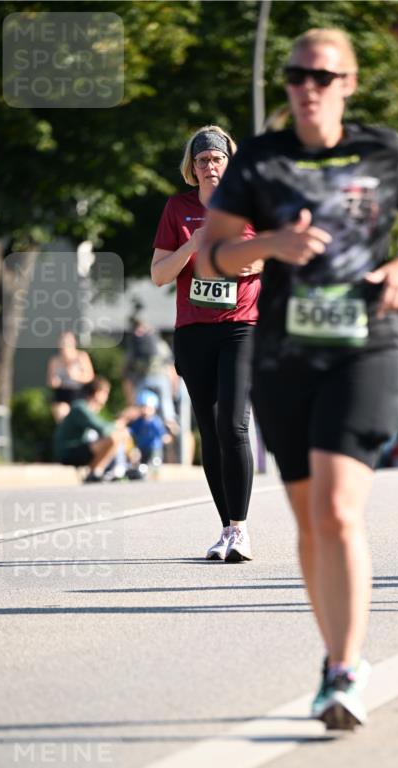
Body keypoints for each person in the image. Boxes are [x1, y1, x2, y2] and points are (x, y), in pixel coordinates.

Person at [197, 29, 398, 728]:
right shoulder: (261, 159)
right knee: (311, 522)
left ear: (348, 83)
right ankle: (334, 657)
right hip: (283, 355)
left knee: (339, 509)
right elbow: (212, 255)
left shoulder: (382, 150)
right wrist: (269, 244)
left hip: (364, 347)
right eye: (296, 75)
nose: (307, 88)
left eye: (322, 76)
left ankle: (343, 670)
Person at [151, 125, 262, 562]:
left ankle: (241, 529)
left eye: (217, 158)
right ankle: (226, 529)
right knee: (211, 432)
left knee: (233, 425)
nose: (210, 165)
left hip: (241, 327)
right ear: (192, 168)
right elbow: (159, 274)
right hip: (194, 331)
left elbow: (273, 256)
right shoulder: (177, 209)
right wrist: (191, 247)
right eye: (202, 160)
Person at [53, 377, 130, 483]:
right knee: (114, 438)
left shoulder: (90, 409)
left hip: (80, 448)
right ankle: (95, 473)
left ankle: (105, 471)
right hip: (69, 452)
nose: (107, 397)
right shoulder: (80, 408)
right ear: (97, 393)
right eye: (105, 393)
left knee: (119, 435)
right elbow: (103, 429)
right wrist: (118, 423)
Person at [122, 321, 179, 432]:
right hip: (161, 380)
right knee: (166, 405)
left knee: (140, 408)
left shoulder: (134, 345)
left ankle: (136, 427)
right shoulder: (160, 344)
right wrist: (173, 387)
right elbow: (170, 367)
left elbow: (126, 372)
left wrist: (131, 401)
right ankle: (169, 424)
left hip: (142, 381)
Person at [46, 331, 95, 423]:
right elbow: (50, 381)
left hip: (79, 394)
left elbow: (90, 376)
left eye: (68, 342)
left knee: (79, 418)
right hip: (62, 395)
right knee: (61, 414)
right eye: (63, 342)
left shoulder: (81, 357)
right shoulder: (54, 360)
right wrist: (54, 382)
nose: (65, 344)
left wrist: (76, 376)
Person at [127, 388, 171, 465]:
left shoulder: (156, 422)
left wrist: (165, 437)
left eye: (148, 408)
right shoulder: (138, 421)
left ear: (154, 409)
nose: (145, 411)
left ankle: (155, 464)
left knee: (155, 459)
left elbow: (161, 433)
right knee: (141, 461)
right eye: (143, 407)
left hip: (154, 447)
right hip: (141, 446)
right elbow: (131, 431)